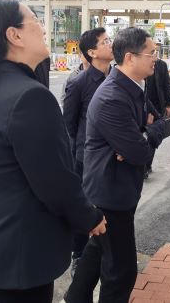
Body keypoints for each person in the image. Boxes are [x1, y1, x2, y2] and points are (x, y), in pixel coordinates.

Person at [0, 0, 106, 303]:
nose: (44, 29)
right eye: (36, 21)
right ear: (14, 35)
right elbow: (55, 181)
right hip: (18, 261)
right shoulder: (29, 97)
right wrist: (90, 218)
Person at [66, 27, 166, 303]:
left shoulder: (134, 86)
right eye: (151, 53)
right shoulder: (112, 96)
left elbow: (162, 122)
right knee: (121, 272)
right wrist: (141, 139)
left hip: (120, 187)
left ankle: (75, 298)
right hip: (109, 193)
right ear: (131, 57)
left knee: (97, 249)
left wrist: (145, 134)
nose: (156, 58)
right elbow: (141, 153)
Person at [63, 27, 113, 276]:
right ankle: (79, 255)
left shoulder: (119, 79)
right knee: (85, 207)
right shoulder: (79, 83)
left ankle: (107, 253)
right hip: (86, 159)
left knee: (110, 207)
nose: (111, 44)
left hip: (114, 157)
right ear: (92, 52)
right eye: (105, 41)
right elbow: (69, 126)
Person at [144, 49, 170, 177]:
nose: (153, 55)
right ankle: (143, 165)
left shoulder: (161, 65)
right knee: (142, 135)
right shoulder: (141, 64)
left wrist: (168, 104)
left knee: (153, 135)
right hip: (144, 105)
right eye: (150, 52)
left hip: (158, 105)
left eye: (154, 52)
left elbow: (167, 85)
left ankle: (147, 165)